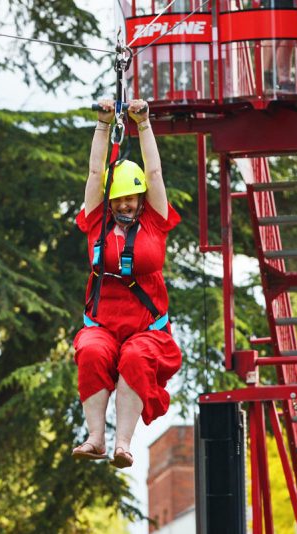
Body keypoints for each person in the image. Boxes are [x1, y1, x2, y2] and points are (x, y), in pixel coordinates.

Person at [71, 98, 182, 469]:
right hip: (102, 324)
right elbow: (92, 174)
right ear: (110, 199)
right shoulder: (95, 221)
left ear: (140, 199)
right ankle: (95, 438)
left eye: (132, 198)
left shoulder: (155, 221)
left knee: (135, 357)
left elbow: (154, 175)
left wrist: (144, 123)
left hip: (146, 330)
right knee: (90, 350)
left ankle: (122, 443)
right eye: (119, 198)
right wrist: (104, 125)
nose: (126, 204)